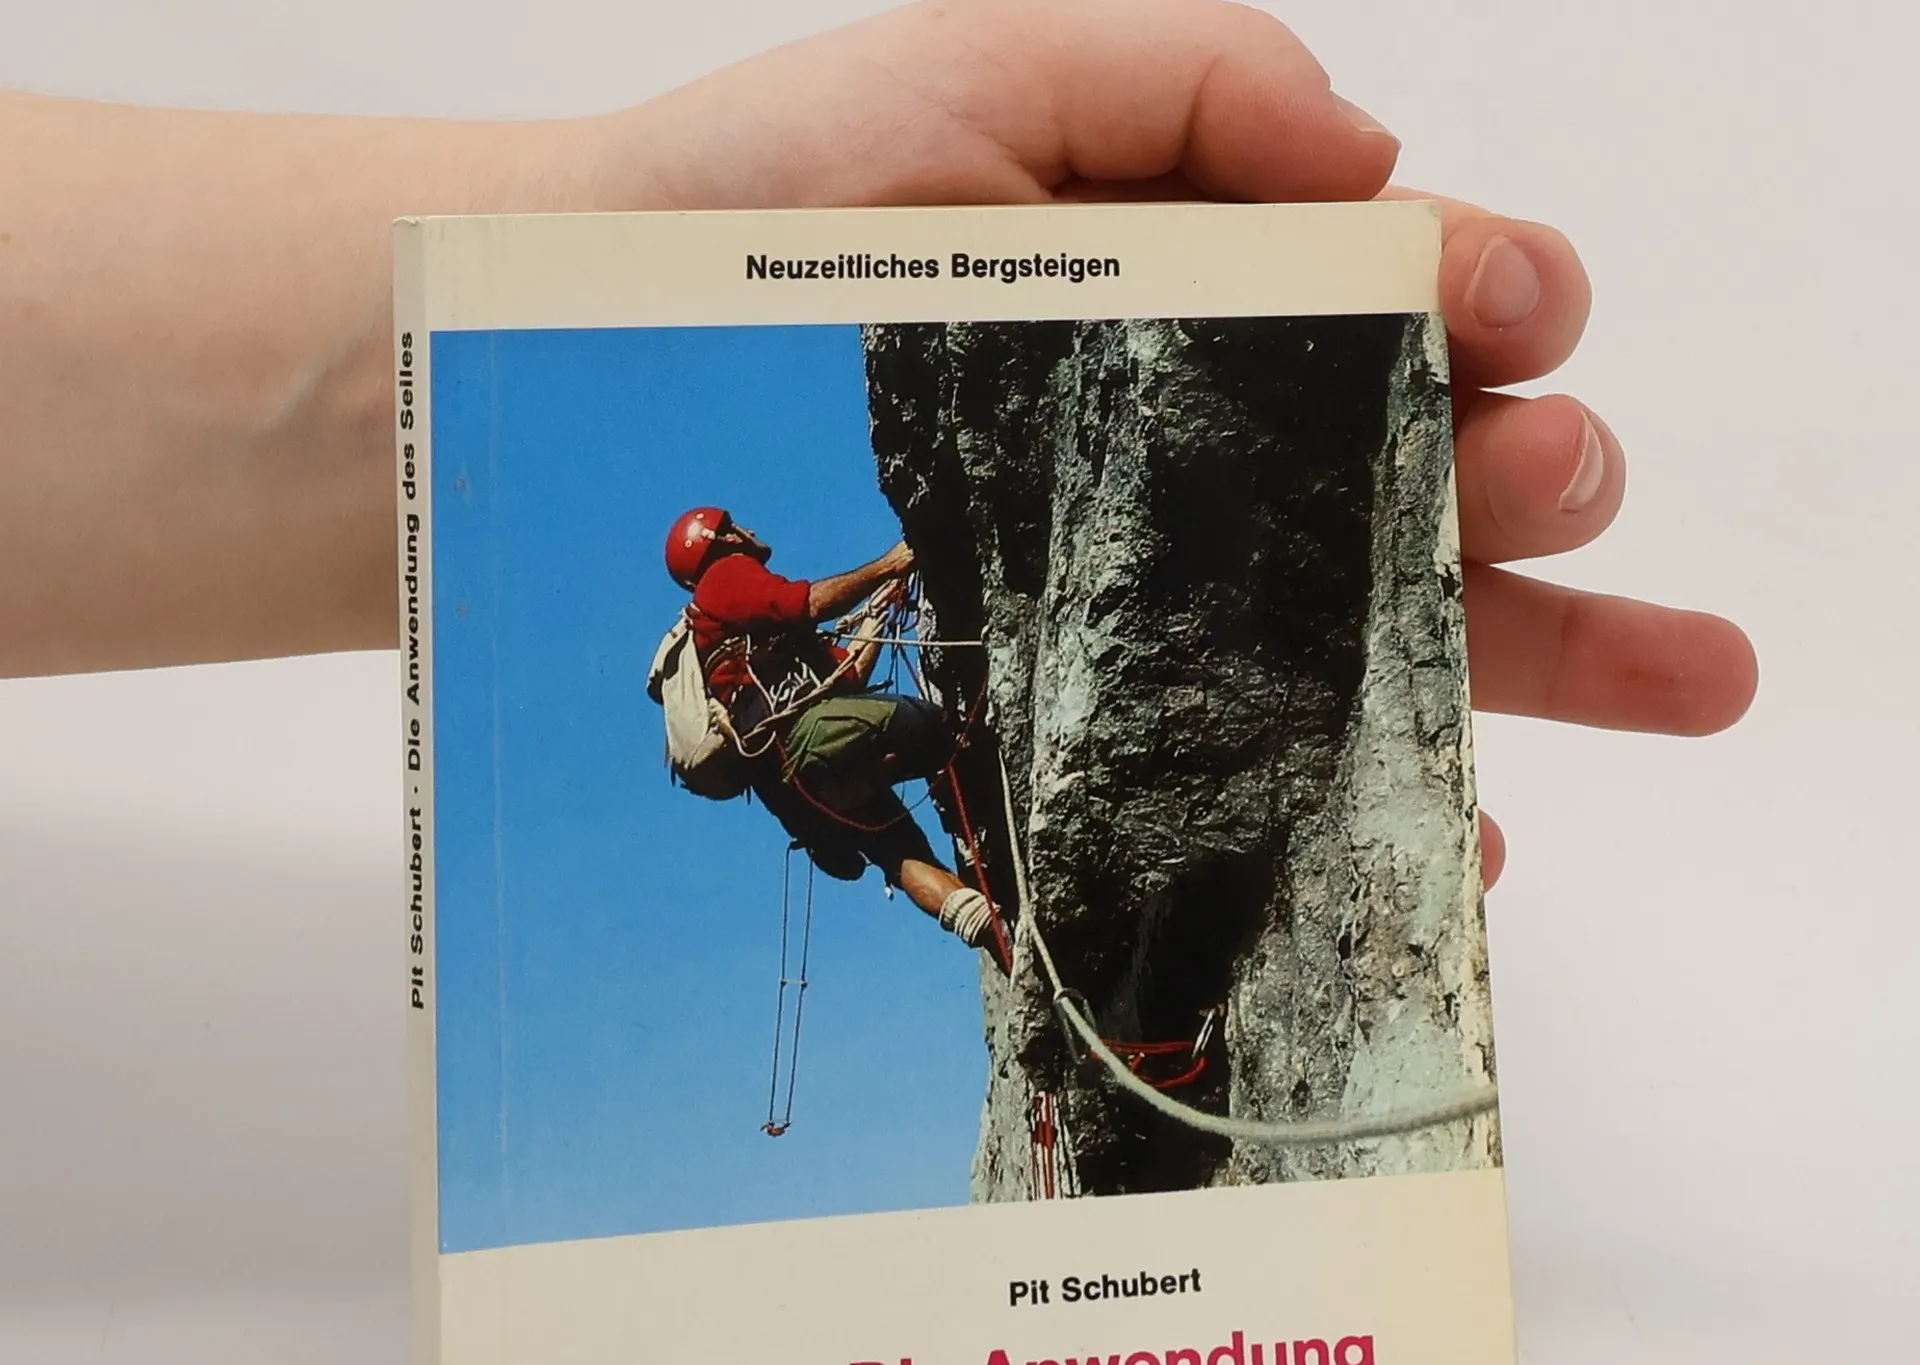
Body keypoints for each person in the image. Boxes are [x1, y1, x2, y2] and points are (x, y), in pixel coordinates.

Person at [0, 0, 1759, 895]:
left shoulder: (723, 665)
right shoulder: (738, 601)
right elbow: (818, 600)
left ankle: (987, 905)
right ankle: (997, 863)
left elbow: (815, 683)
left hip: (806, 783)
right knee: (945, 734)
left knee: (911, 804)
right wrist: (907, 560)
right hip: (827, 749)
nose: (746, 554)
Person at [664, 507, 1002, 953]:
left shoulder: (743, 636)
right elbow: (808, 604)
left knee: (901, 854)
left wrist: (876, 612)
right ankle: (994, 826)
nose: (749, 530)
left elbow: (847, 677)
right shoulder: (723, 576)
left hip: (793, 790)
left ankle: (1003, 942)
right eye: (735, 527)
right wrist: (888, 565)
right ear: (721, 539)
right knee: (932, 727)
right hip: (804, 739)